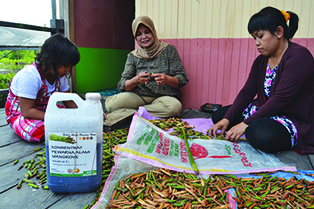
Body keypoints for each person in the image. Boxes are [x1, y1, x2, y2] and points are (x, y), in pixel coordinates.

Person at [208, 6, 314, 155]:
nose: (257, 42)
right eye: (254, 38)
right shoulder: (261, 61)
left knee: (259, 134)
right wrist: (227, 118)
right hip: (266, 109)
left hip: (291, 117)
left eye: (260, 36)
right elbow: (247, 92)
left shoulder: (299, 57)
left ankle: (259, 127)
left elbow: (280, 99)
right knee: (219, 116)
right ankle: (250, 123)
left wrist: (245, 123)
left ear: (278, 32)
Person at [105, 15, 189, 118]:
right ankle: (144, 112)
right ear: (135, 37)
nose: (144, 37)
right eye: (139, 34)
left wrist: (168, 79)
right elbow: (122, 85)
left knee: (174, 108)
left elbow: (182, 79)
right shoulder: (133, 56)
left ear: (153, 32)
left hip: (163, 98)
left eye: (147, 32)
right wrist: (136, 80)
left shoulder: (169, 50)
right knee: (111, 105)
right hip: (138, 97)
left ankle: (133, 113)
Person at [5, 33, 80, 142]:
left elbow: (69, 102)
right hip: (22, 115)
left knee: (72, 116)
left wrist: (86, 113)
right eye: (65, 65)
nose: (67, 70)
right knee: (36, 130)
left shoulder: (59, 75)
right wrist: (55, 118)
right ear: (50, 60)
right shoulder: (30, 75)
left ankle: (58, 128)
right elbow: (27, 111)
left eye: (70, 67)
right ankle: (59, 137)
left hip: (45, 111)